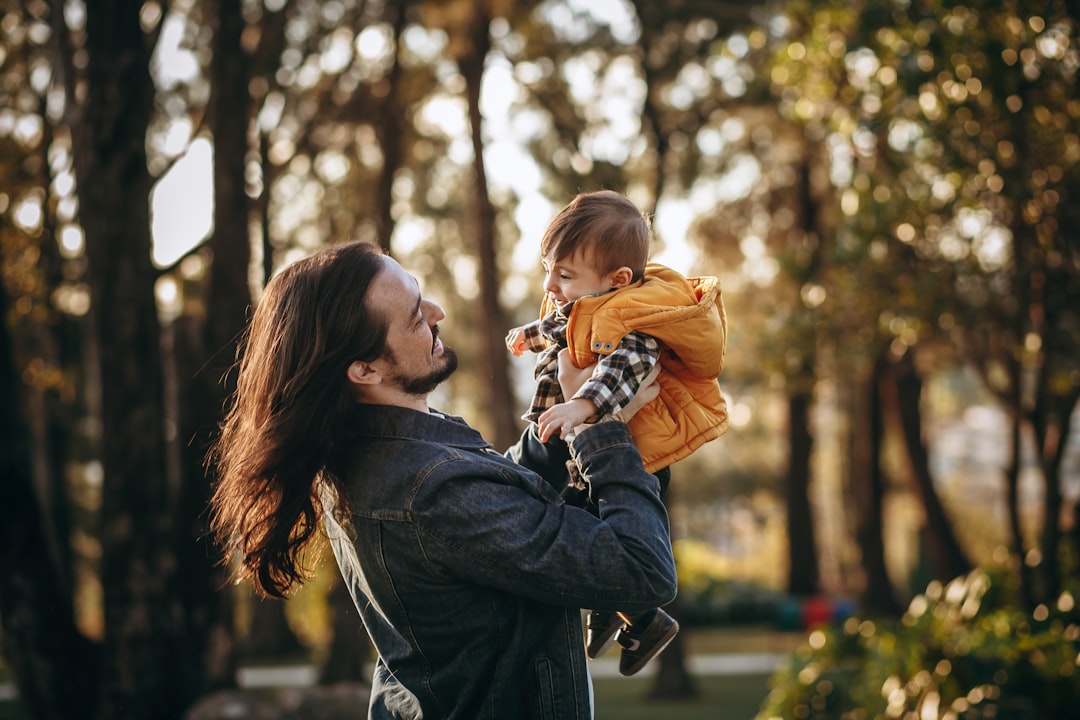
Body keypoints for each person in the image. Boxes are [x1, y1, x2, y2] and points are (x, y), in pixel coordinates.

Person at [207, 240, 677, 720]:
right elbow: (642, 572)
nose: (437, 311)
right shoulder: (428, 488)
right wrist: (601, 427)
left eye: (420, 293)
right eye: (414, 316)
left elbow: (504, 511)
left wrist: (564, 416)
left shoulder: (376, 457)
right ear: (364, 369)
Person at [505, 189, 729, 676]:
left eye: (564, 275)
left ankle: (642, 620)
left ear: (618, 279)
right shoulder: (591, 301)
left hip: (634, 457)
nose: (552, 284)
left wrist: (580, 404)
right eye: (549, 269)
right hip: (588, 449)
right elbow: (562, 322)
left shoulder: (634, 321)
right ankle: (617, 611)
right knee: (588, 533)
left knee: (595, 534)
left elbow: (626, 369)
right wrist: (531, 334)